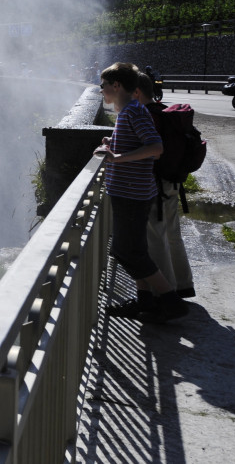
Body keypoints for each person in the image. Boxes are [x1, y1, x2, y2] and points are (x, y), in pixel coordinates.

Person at [96, 62, 188, 322]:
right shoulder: (129, 111)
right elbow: (139, 142)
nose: (101, 91)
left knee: (128, 251)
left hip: (131, 194)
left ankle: (170, 300)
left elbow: (155, 147)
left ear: (116, 85)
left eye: (103, 86)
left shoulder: (132, 112)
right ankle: (145, 302)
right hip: (131, 191)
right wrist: (112, 142)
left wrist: (115, 157)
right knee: (132, 249)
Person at [135, 73, 196, 298]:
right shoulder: (165, 112)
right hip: (173, 183)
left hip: (155, 185)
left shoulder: (145, 116)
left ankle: (164, 294)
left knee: (155, 237)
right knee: (172, 234)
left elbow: (148, 152)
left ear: (136, 92)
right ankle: (183, 284)